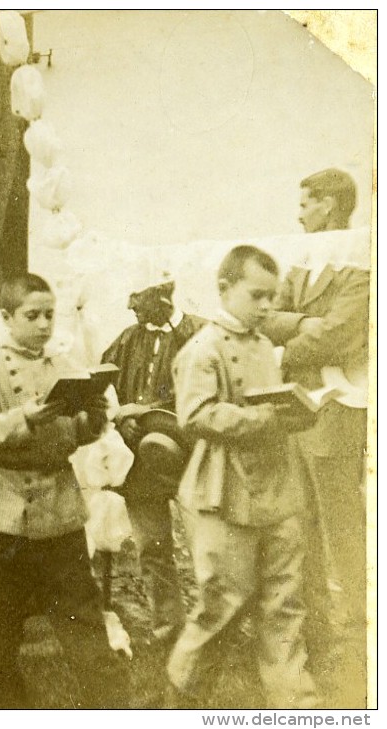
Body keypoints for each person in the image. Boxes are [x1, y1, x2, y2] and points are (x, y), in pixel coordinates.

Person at [0, 273, 128, 709]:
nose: (42, 324)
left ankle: (109, 706)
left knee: (82, 615)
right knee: (3, 626)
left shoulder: (63, 363)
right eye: (31, 315)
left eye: (49, 314)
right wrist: (25, 419)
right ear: (6, 317)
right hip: (4, 511)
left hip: (59, 507)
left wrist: (93, 419)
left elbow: (78, 430)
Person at [166, 246, 318, 708]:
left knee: (285, 604)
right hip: (223, 491)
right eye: (257, 296)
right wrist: (266, 419)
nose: (267, 307)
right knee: (221, 603)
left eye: (272, 297)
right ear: (225, 289)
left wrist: (295, 412)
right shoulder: (202, 348)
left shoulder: (262, 345)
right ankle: (182, 697)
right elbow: (193, 415)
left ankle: (295, 705)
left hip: (278, 488)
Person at [261, 169, 369, 669]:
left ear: (329, 205)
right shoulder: (302, 264)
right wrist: (306, 323)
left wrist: (290, 344)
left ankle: (359, 625)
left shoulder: (360, 264)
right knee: (298, 523)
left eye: (306, 203)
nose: (299, 213)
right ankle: (317, 627)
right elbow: (269, 318)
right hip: (295, 409)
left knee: (340, 523)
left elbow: (342, 335)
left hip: (336, 410)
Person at [101, 278, 203, 645]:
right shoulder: (127, 339)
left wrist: (149, 409)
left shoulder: (199, 333)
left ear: (162, 297)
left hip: (194, 459)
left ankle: (217, 630)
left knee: (206, 548)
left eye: (137, 299)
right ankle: (168, 628)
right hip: (140, 462)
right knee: (151, 549)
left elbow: (207, 393)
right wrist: (119, 416)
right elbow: (101, 386)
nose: (131, 307)